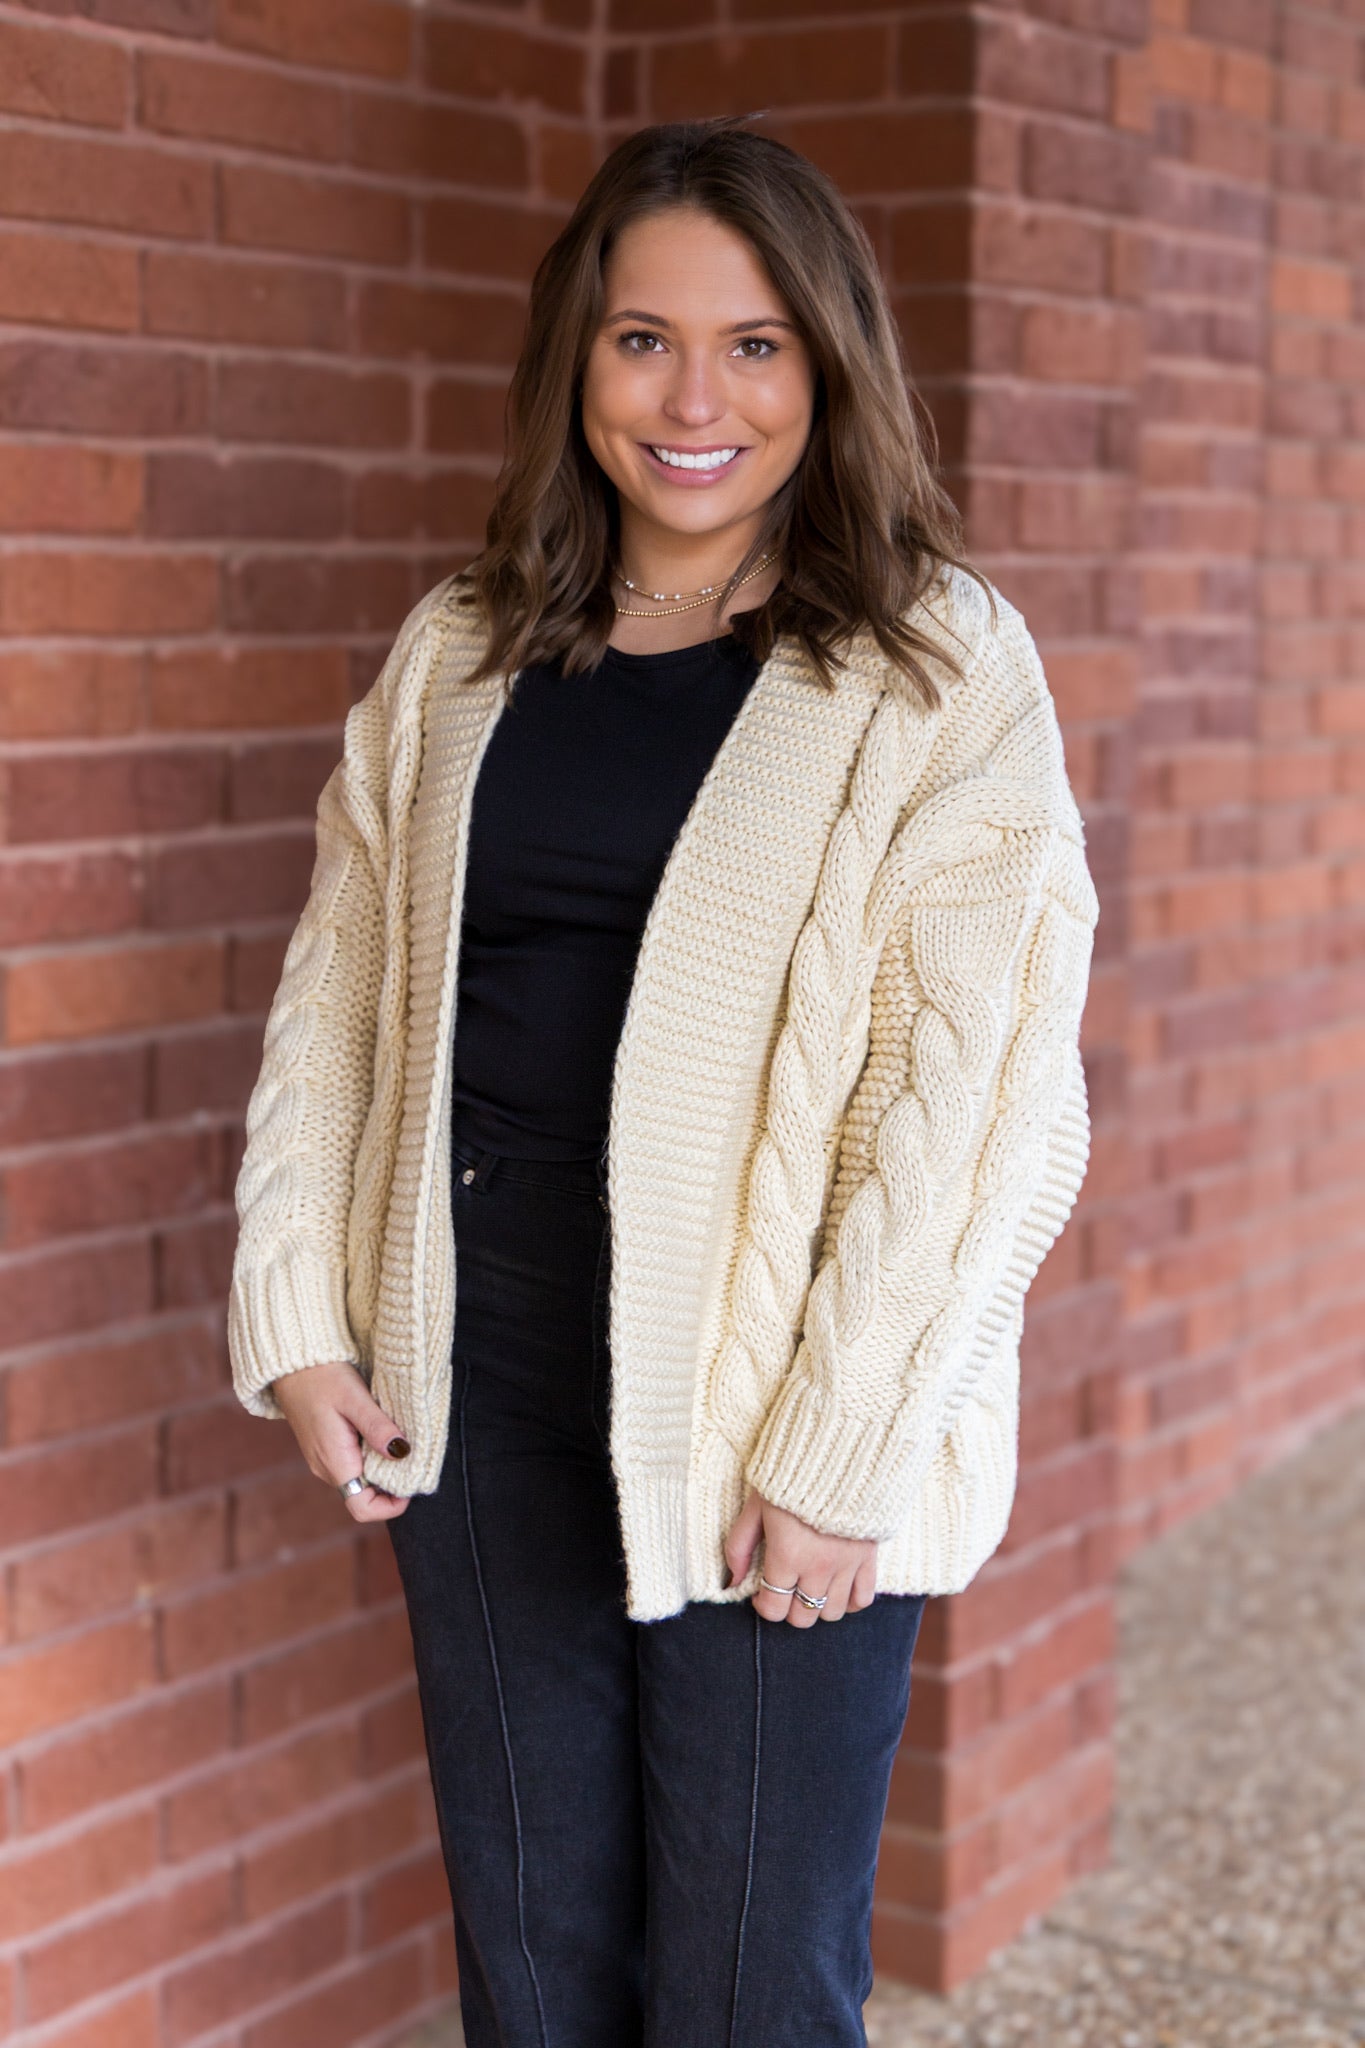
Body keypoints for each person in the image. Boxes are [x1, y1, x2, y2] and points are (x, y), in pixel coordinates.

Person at [226, 114, 1098, 2048]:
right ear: (579, 359)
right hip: (480, 1384)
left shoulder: (935, 668)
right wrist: (295, 1306)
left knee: (746, 1991)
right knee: (537, 1974)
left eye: (753, 345)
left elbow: (981, 1102)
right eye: (643, 341)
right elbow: (340, 990)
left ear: (827, 364)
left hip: (770, 1407)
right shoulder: (460, 651)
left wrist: (840, 1446)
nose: (694, 401)